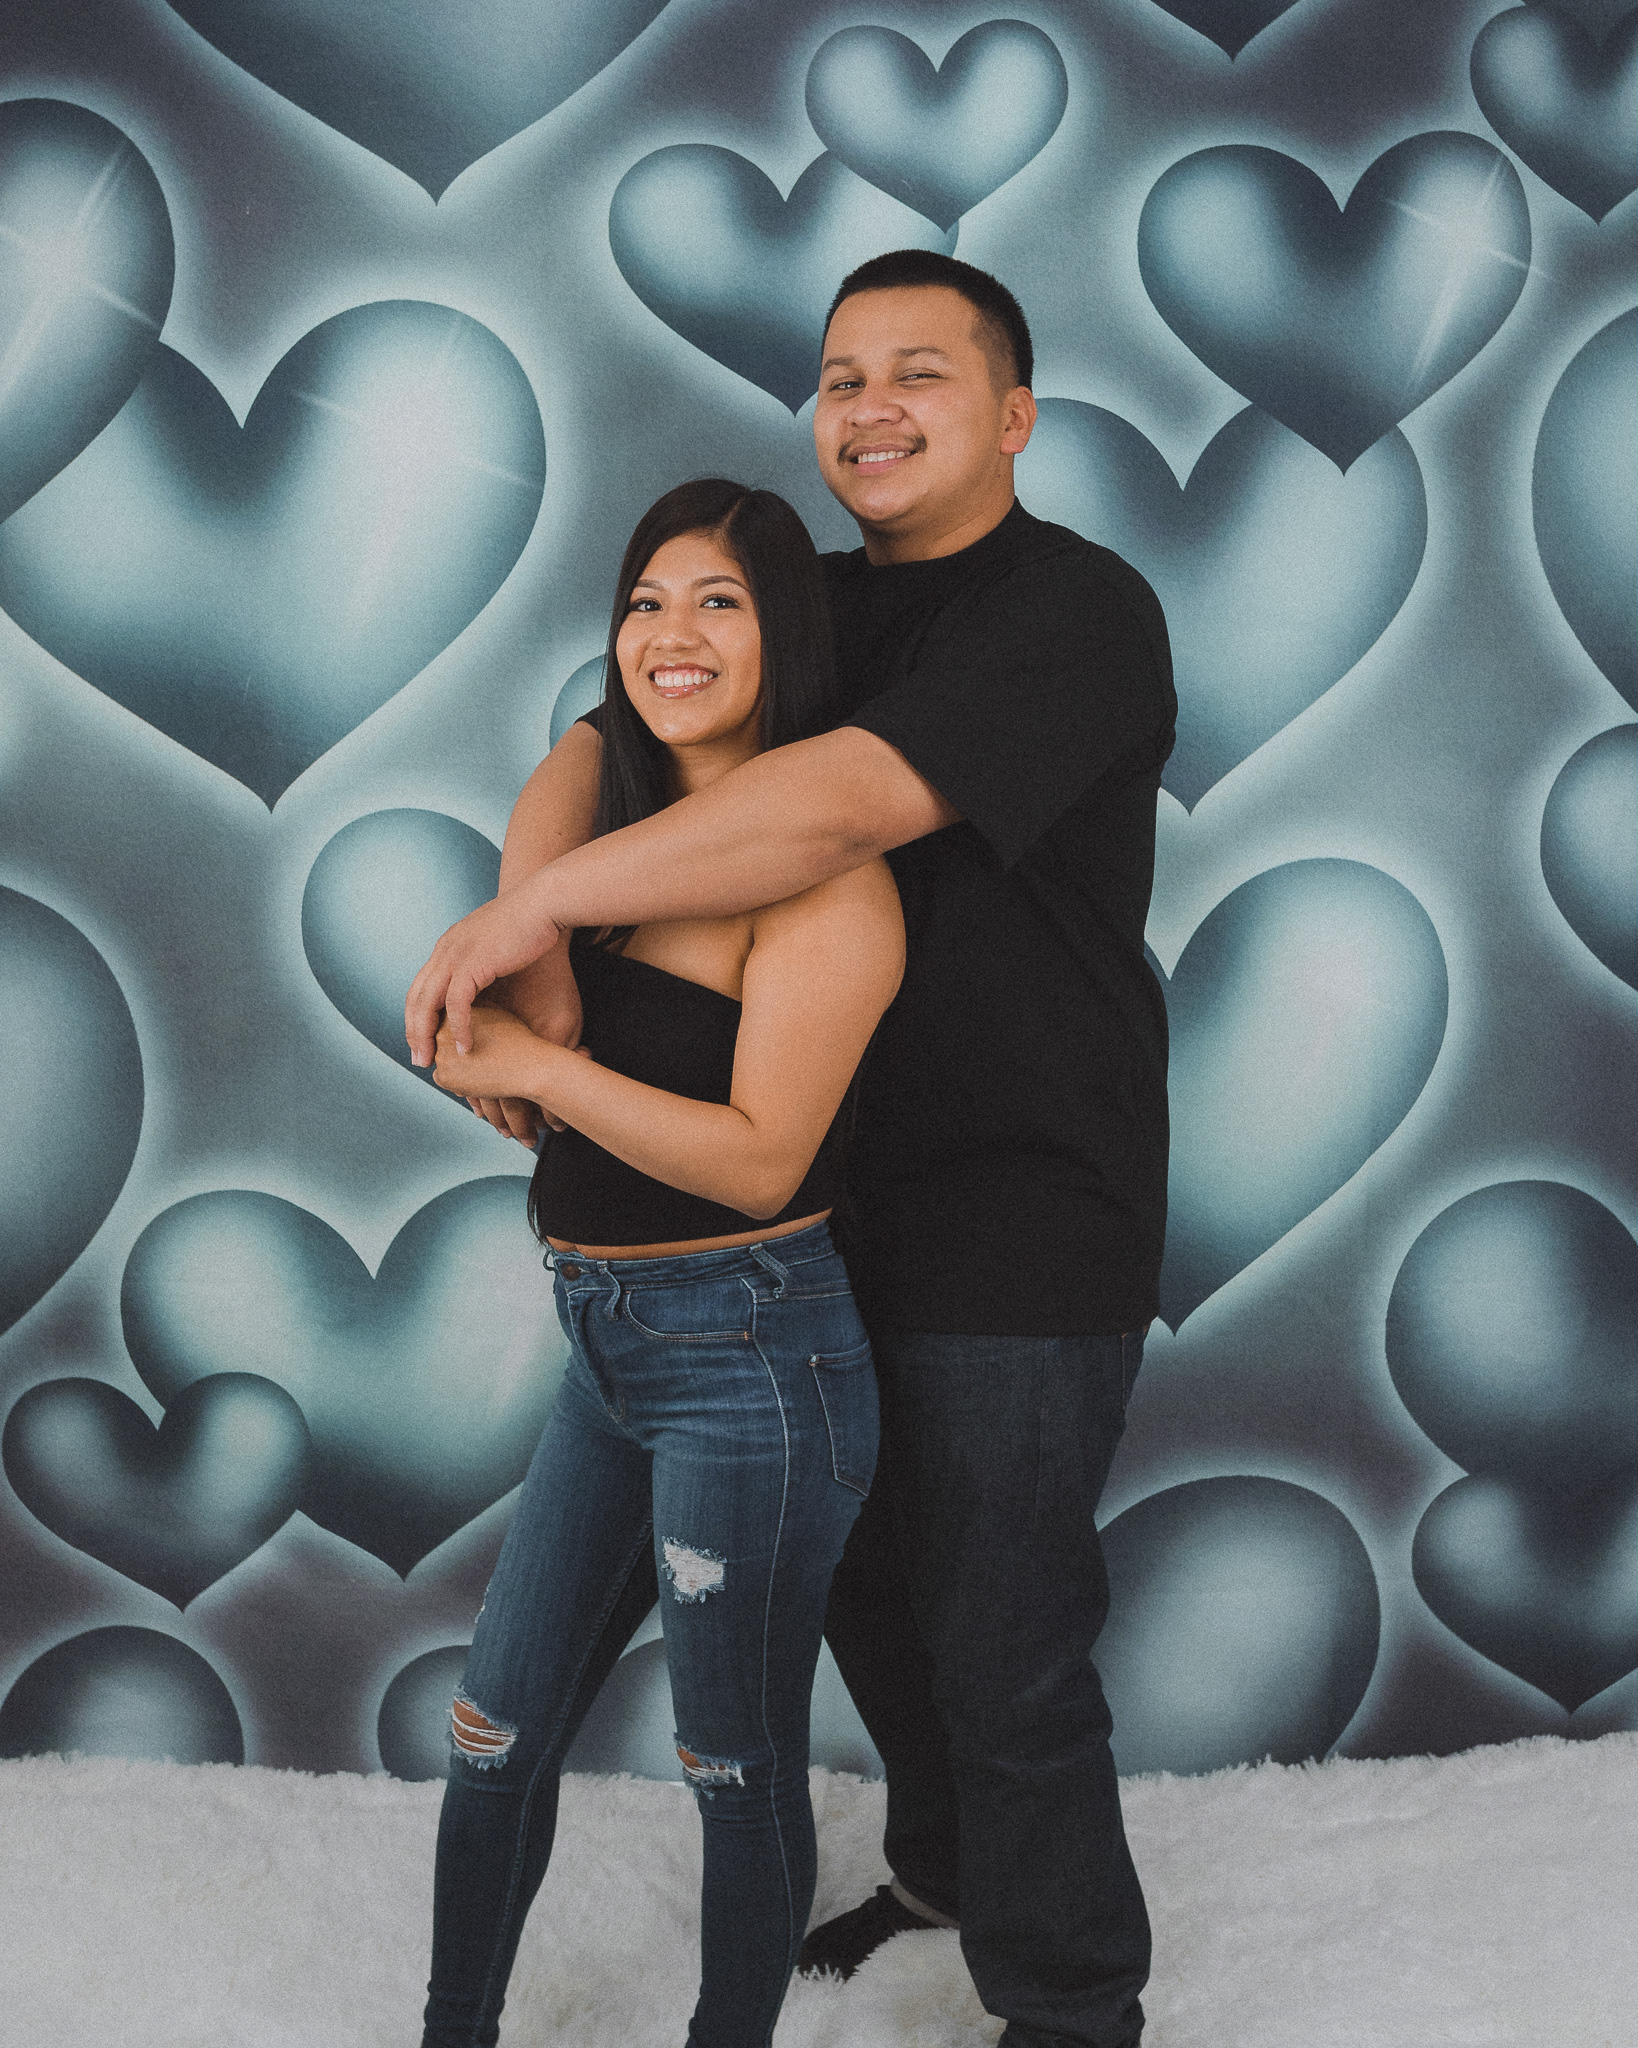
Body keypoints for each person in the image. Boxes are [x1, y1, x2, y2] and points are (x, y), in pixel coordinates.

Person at [407, 250, 1177, 2048]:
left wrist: (525, 930)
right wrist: (536, 923)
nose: (870, 407)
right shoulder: (803, 599)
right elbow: (599, 733)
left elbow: (833, 807)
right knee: (869, 1601)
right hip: (804, 1214)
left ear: (1014, 415)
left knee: (1002, 1636)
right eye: (840, 377)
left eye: (920, 372)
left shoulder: (1075, 609)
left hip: (1015, 1202)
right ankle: (945, 1871)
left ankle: (1071, 2008)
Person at [417, 477, 905, 2048]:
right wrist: (535, 949)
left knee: (730, 1764)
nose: (669, 634)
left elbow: (764, 1156)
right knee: (493, 1732)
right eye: (644, 601)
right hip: (607, 1350)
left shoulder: (831, 880)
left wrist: (543, 1067)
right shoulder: (605, 836)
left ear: (785, 637)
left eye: (718, 603)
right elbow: (572, 757)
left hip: (753, 1364)